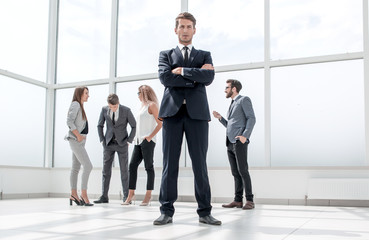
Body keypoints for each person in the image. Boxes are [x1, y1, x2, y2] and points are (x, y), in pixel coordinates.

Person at [153, 12, 221, 226]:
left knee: (200, 165)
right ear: (176, 30)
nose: (184, 30)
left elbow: (208, 78)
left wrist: (182, 71)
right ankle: (166, 211)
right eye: (181, 26)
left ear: (194, 29)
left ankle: (204, 212)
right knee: (168, 165)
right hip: (172, 114)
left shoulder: (204, 54)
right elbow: (165, 77)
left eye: (188, 26)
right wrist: (194, 77)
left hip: (198, 115)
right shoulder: (165, 54)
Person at [213, 79, 256, 210]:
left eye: (227, 87)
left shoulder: (244, 100)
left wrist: (245, 136)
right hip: (230, 142)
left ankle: (249, 200)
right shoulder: (232, 103)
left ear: (234, 88)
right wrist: (220, 118)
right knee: (235, 172)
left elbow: (251, 118)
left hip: (239, 141)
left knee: (243, 171)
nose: (225, 90)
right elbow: (231, 125)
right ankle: (238, 200)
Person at [122, 85, 162, 206]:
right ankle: (131, 194)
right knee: (132, 166)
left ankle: (148, 195)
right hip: (138, 141)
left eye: (138, 93)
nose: (138, 96)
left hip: (148, 141)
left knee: (148, 167)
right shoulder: (142, 107)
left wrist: (150, 137)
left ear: (144, 93)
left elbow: (160, 123)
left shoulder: (152, 105)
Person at [94, 94, 136, 204]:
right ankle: (104, 196)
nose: (113, 109)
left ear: (118, 103)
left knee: (124, 171)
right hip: (108, 144)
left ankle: (126, 197)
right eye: (111, 107)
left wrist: (129, 141)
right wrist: (102, 140)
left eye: (115, 106)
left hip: (122, 144)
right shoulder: (104, 109)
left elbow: (134, 126)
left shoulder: (126, 110)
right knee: (105, 171)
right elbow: (100, 125)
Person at [65, 86, 94, 206]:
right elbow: (69, 121)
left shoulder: (80, 106)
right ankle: (83, 194)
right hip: (76, 140)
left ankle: (73, 194)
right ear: (80, 94)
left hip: (80, 141)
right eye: (86, 93)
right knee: (88, 166)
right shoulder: (76, 104)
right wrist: (78, 135)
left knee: (75, 168)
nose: (88, 95)